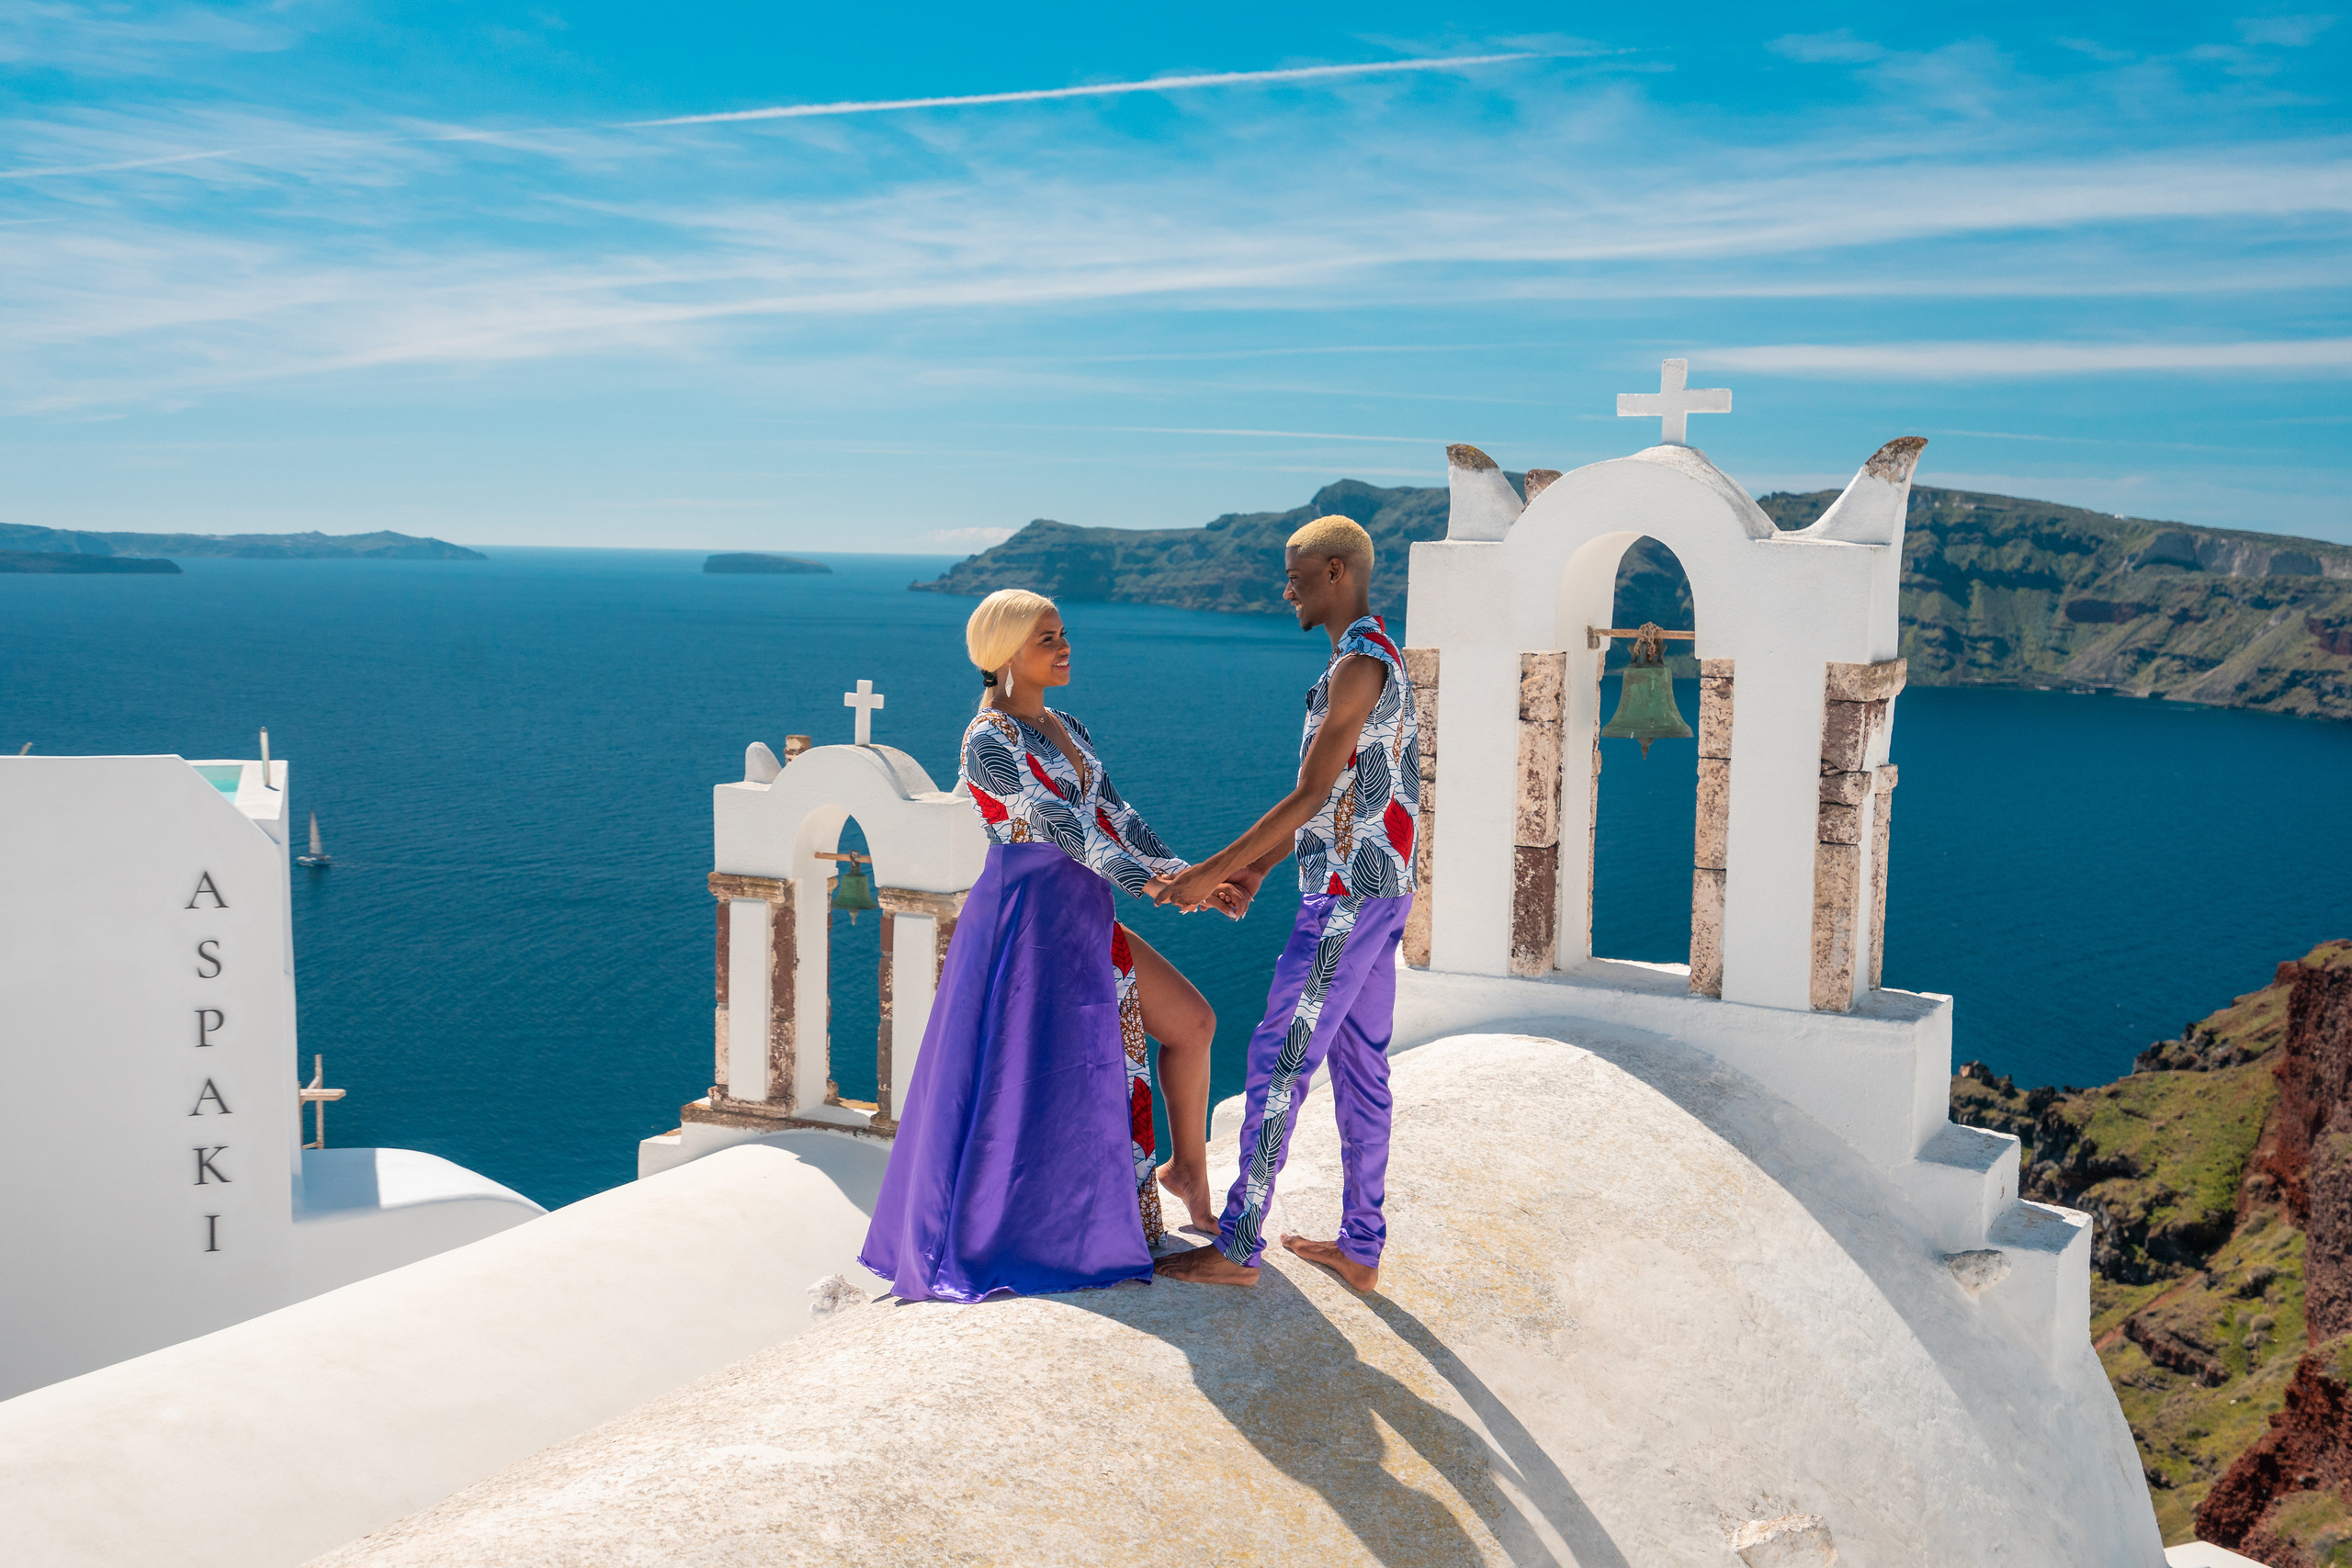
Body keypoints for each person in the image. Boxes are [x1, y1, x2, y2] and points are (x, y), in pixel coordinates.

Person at [858, 588, 1223, 1302]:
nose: (1063, 647)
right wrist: (1161, 891)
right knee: (1043, 1086)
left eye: (1062, 633)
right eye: (1046, 638)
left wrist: (1194, 877)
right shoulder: (986, 738)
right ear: (1004, 655)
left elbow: (1116, 816)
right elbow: (1064, 830)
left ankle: (1189, 1173)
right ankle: (1061, 1226)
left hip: (1082, 910)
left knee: (1194, 1022)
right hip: (1025, 925)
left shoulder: (1069, 726)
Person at [1150, 515, 1418, 1293]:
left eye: (1297, 574)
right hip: (1379, 889)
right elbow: (1335, 798)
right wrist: (1263, 869)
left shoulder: (1359, 665)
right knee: (1363, 1068)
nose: (1286, 588)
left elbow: (1308, 789)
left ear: (1337, 571)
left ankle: (1236, 1246)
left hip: (1346, 900)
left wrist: (1209, 872)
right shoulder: (1367, 657)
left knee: (1278, 1058)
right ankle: (1362, 1246)